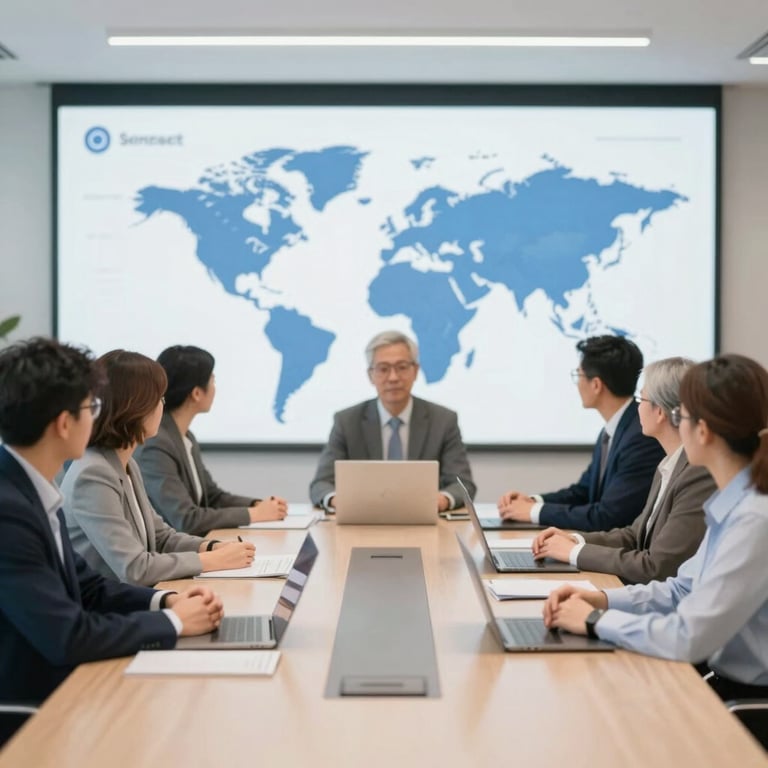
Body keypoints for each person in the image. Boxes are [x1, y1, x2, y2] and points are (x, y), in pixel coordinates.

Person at [0, 338, 223, 732]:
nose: (97, 417)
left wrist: (165, 599)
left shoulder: (28, 489)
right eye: (92, 407)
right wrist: (173, 622)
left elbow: (87, 588)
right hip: (34, 711)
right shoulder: (9, 510)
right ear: (64, 423)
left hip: (63, 685)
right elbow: (67, 634)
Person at [543, 354, 768, 702]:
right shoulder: (736, 504)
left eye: (682, 416)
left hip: (746, 704)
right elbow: (680, 590)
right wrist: (601, 599)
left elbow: (688, 637)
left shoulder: (754, 519)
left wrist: (594, 621)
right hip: (721, 684)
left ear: (703, 431)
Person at [61, 350, 256, 587]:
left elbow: (161, 537)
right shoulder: (93, 474)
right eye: (159, 398)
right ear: (135, 406)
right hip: (110, 612)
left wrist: (213, 547)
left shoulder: (125, 463)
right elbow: (135, 568)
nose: (163, 406)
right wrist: (211, 560)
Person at [531, 357, 715, 583]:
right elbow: (634, 535)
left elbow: (656, 566)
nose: (637, 407)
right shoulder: (669, 464)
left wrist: (573, 553)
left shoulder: (697, 474)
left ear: (660, 413)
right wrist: (575, 540)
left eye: (641, 399)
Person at [498, 335, 664, 531]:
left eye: (579, 375)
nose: (577, 384)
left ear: (596, 385)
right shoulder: (613, 430)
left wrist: (533, 512)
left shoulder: (640, 437)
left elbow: (607, 517)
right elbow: (583, 492)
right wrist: (533, 501)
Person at [309, 330, 475, 513]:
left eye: (402, 367)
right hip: (363, 522)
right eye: (383, 369)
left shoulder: (443, 421)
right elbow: (321, 484)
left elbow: (463, 484)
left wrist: (442, 500)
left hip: (424, 521)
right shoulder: (347, 421)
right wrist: (336, 500)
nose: (393, 377)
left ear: (416, 371)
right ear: (370, 375)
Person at [135, 345, 287, 535]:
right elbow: (185, 519)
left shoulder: (185, 436)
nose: (215, 388)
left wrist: (257, 505)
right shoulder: (156, 445)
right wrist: (254, 514)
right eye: (212, 380)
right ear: (197, 393)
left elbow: (213, 496)